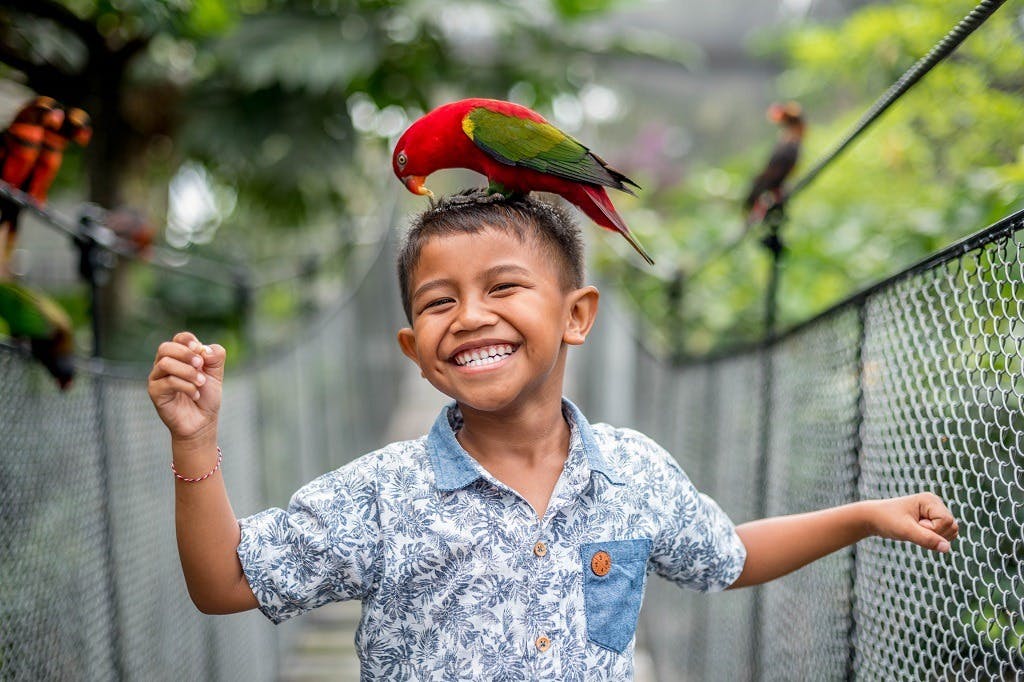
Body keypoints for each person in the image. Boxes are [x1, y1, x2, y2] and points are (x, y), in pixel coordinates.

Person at [147, 189, 959, 680]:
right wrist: (194, 440)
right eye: (436, 303)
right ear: (413, 353)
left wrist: (862, 516)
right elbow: (225, 585)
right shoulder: (380, 494)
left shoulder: (633, 473)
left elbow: (729, 557)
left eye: (504, 286)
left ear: (577, 316)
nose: (469, 317)